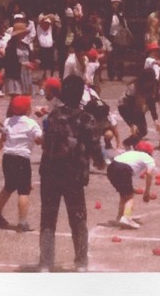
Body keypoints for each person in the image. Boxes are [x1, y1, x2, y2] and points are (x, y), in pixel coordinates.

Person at [38, 75, 106, 272]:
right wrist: (100, 162)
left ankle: (45, 263)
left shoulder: (53, 115)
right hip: (73, 174)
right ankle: (81, 262)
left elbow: (46, 140)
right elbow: (94, 145)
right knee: (77, 218)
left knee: (48, 218)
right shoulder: (86, 118)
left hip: (50, 171)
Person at [0, 95, 43, 231]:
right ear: (27, 109)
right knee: (23, 191)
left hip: (8, 157)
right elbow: (39, 139)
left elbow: (4, 135)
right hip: (22, 158)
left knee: (8, 187)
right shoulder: (31, 123)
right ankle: (22, 222)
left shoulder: (8, 121)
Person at [106, 141, 156, 229]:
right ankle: (127, 217)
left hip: (111, 168)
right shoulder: (148, 158)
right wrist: (147, 192)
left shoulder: (130, 153)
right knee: (129, 197)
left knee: (124, 195)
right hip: (123, 169)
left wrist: (133, 189)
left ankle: (119, 217)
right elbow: (149, 173)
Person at [118, 68, 160, 149]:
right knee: (137, 129)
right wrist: (132, 124)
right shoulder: (133, 87)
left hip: (137, 107)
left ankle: (132, 144)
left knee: (143, 131)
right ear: (143, 80)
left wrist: (156, 119)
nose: (150, 83)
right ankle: (127, 144)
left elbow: (151, 103)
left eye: (152, 81)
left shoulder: (152, 86)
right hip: (125, 107)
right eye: (148, 81)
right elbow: (129, 107)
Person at [4, 22, 35, 96]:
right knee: (16, 97)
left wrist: (33, 62)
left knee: (26, 97)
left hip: (26, 74)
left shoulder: (25, 45)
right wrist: (23, 64)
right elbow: (9, 62)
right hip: (15, 74)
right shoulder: (11, 46)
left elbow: (29, 57)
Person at [105, 0, 132, 81]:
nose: (116, 4)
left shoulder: (121, 14)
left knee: (120, 56)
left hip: (120, 37)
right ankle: (111, 74)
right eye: (115, 3)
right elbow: (106, 26)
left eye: (118, 3)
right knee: (111, 56)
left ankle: (120, 74)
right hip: (111, 36)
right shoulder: (108, 14)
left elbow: (124, 25)